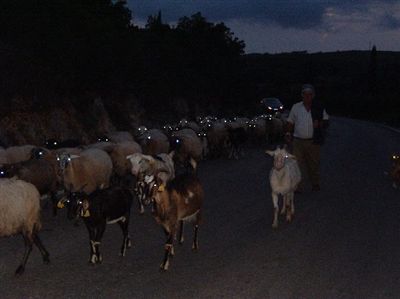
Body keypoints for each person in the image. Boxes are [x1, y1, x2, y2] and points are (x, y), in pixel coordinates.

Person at [285, 84, 329, 192]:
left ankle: (315, 183)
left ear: (313, 96)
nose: (307, 97)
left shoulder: (318, 107)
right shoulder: (296, 107)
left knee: (313, 164)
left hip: (313, 141)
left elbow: (326, 121)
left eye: (309, 94)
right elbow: (290, 121)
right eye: (305, 94)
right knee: (297, 164)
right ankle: (298, 186)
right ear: (302, 95)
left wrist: (319, 123)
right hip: (298, 141)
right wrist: (288, 133)